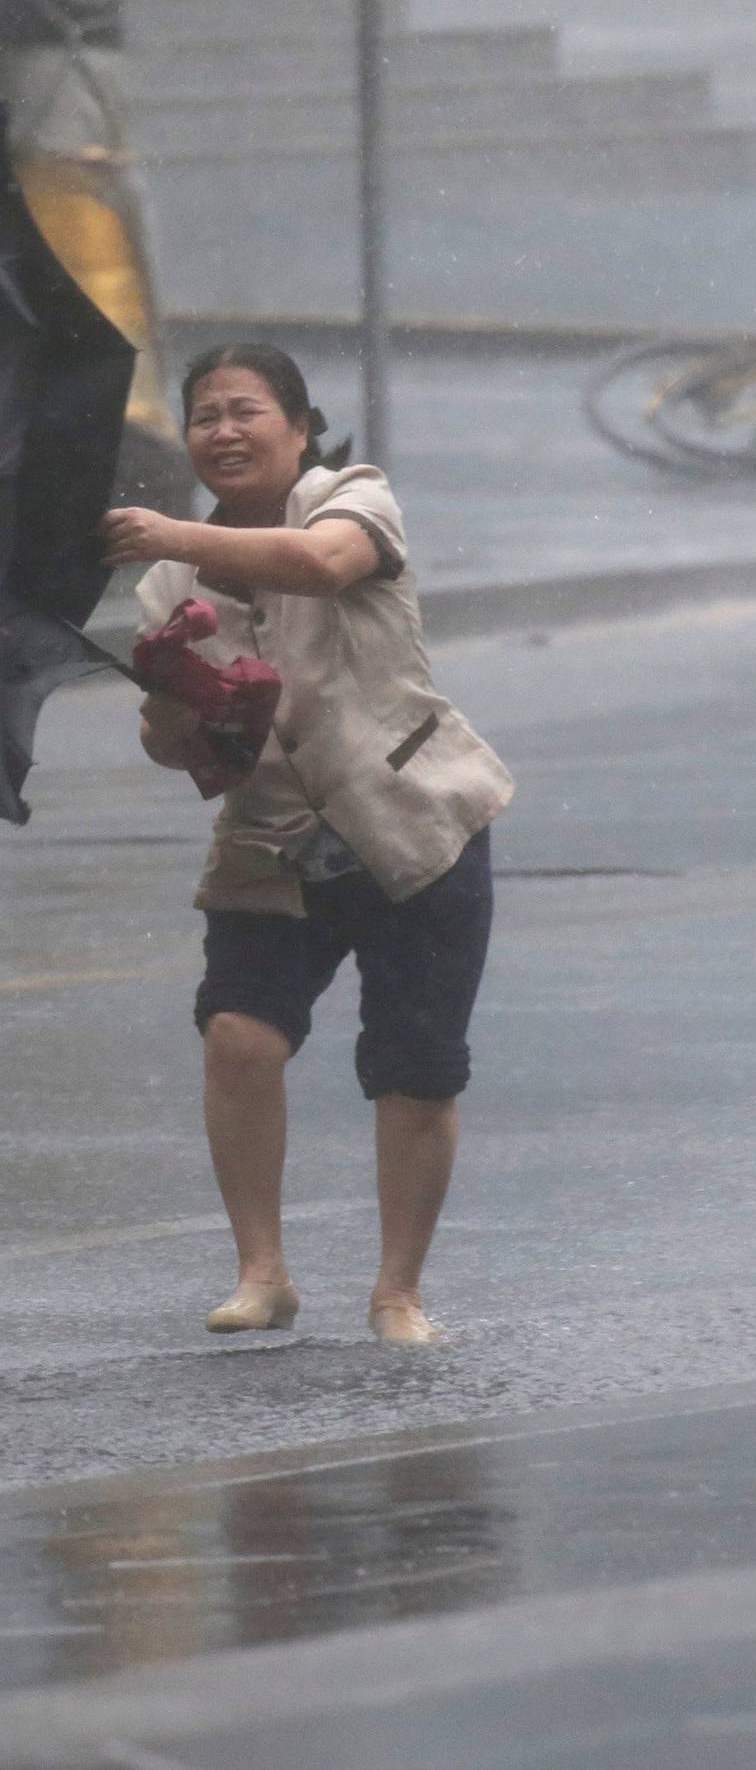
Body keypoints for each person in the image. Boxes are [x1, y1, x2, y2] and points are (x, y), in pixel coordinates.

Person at [100, 344, 512, 1344]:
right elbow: (172, 747)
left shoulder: (354, 498)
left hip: (413, 823)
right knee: (239, 1039)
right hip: (272, 837)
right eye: (205, 417)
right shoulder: (168, 581)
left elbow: (320, 566)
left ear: (298, 425)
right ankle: (263, 1272)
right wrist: (176, 694)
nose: (224, 431)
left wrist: (171, 530)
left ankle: (397, 1293)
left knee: (414, 1069)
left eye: (246, 410)